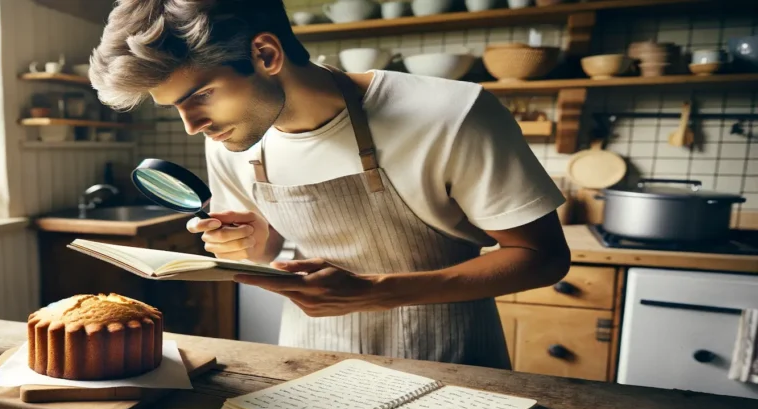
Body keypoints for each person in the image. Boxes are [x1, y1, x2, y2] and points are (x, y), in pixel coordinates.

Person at [87, 0, 571, 369]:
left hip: (448, 354)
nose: (192, 125)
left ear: (266, 53)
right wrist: (252, 243)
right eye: (174, 107)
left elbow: (543, 257)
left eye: (202, 96)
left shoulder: (451, 114)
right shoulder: (231, 141)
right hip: (312, 358)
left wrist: (377, 292)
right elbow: (265, 248)